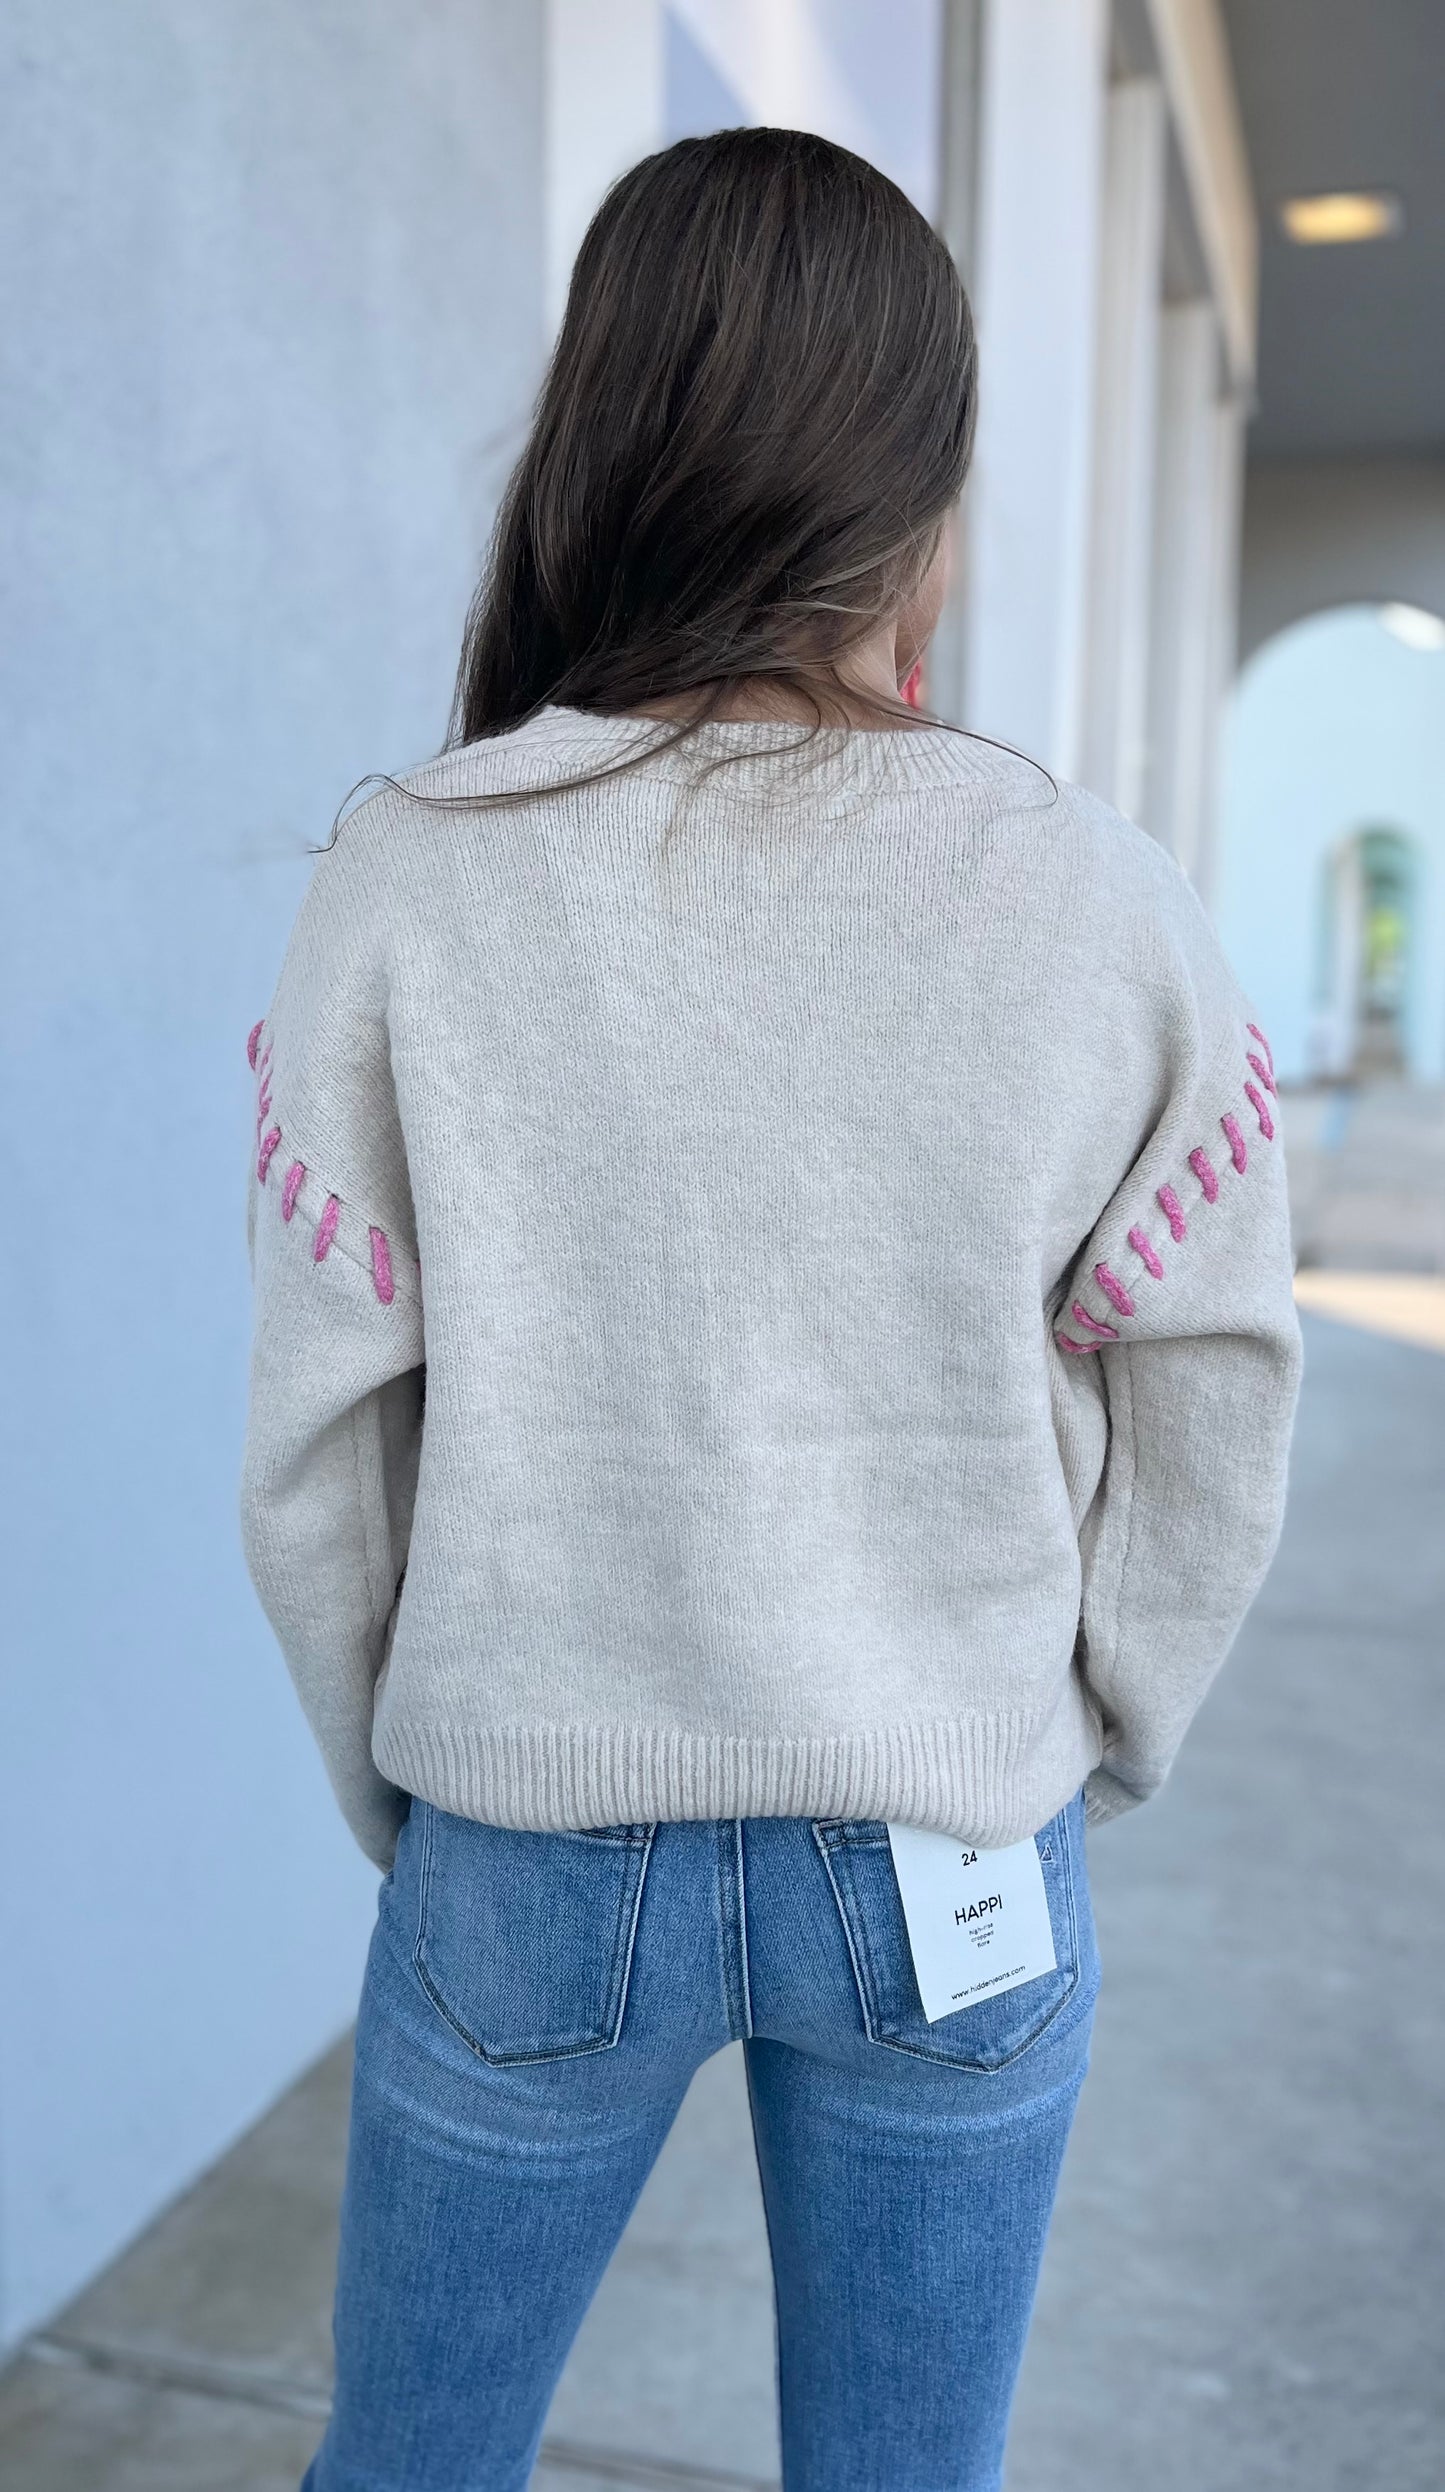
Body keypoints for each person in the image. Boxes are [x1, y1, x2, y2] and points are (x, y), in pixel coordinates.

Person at [240, 127, 1301, 2492]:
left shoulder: (413, 876)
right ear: (926, 501)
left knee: (404, 2470)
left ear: (599, 448)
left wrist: (427, 1785)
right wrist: (1085, 1736)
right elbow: (1212, 1365)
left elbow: (324, 1436)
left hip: (529, 1838)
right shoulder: (1097, 898)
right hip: (955, 1826)